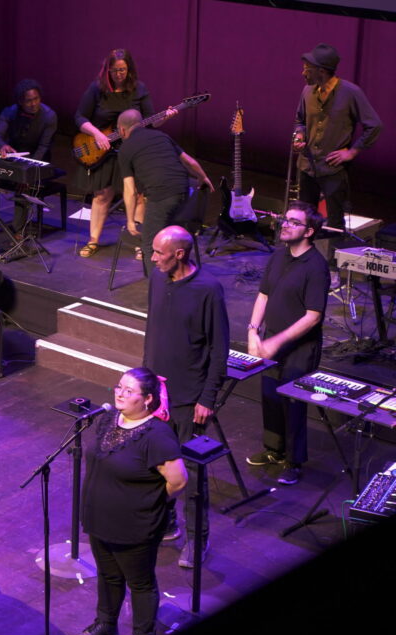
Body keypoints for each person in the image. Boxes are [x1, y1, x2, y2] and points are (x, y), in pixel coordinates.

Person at [77, 367, 187, 635]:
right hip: (100, 517)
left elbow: (178, 481)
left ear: (148, 399)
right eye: (119, 387)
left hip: (135, 524)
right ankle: (106, 622)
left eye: (129, 391)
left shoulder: (158, 435)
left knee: (139, 582)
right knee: (108, 574)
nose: (120, 394)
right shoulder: (108, 419)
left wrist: (149, 502)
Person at [143, 226, 228, 568]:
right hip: (155, 395)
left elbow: (219, 349)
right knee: (152, 467)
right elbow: (154, 330)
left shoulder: (208, 290)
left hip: (188, 399)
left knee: (190, 474)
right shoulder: (157, 278)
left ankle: (198, 541)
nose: (152, 258)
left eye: (158, 253)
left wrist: (207, 397)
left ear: (179, 254)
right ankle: (166, 523)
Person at [245, 202, 330, 485]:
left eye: (293, 222)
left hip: (299, 349)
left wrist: (276, 342)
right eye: (286, 219)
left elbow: (313, 317)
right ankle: (274, 450)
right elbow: (263, 295)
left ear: (309, 231)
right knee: (269, 395)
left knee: (292, 402)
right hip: (270, 341)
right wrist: (253, 332)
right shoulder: (279, 257)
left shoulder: (316, 267)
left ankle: (293, 462)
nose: (285, 224)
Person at [74, 49, 163, 258]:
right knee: (102, 195)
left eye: (122, 70)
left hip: (132, 150)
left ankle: (139, 243)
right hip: (104, 149)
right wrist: (97, 134)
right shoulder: (97, 88)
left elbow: (151, 120)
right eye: (114, 71)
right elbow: (79, 117)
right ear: (107, 70)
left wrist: (166, 116)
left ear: (129, 69)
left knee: (139, 196)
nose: (119, 74)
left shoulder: (139, 89)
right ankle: (93, 240)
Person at [294, 43, 382, 230]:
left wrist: (352, 152)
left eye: (307, 69)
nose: (303, 73)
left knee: (334, 224)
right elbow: (299, 120)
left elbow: (374, 125)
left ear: (321, 71)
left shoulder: (351, 93)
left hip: (332, 170)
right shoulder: (307, 91)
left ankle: (331, 257)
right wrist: (299, 136)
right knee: (304, 220)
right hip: (307, 167)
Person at [117, 109, 212, 271]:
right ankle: (175, 276)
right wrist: (203, 177)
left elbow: (130, 190)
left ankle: (158, 287)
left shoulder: (126, 148)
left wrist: (130, 220)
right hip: (184, 192)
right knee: (169, 237)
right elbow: (189, 161)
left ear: (122, 130)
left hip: (162, 196)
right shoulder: (161, 136)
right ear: (141, 123)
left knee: (148, 244)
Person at [0, 78, 57, 240]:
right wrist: (2, 146)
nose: (33, 104)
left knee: (23, 183)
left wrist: (27, 170)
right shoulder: (10, 112)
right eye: (28, 101)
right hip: (12, 158)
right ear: (20, 101)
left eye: (36, 99)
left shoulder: (49, 116)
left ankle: (18, 230)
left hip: (37, 161)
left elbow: (44, 147)